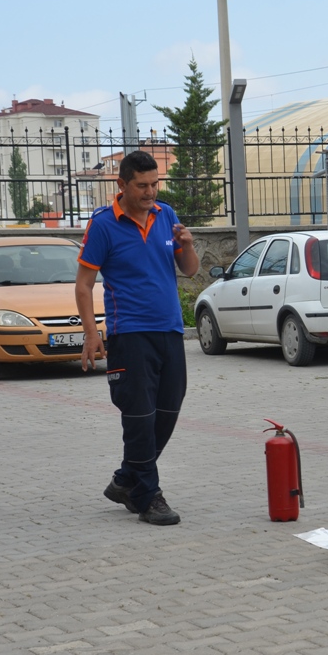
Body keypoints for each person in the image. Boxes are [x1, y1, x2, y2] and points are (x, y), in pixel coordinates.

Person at [75, 150, 199, 526]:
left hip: (170, 329)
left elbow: (189, 270)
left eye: (154, 184)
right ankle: (148, 495)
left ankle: (127, 478)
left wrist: (189, 244)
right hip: (129, 332)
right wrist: (92, 334)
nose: (150, 192)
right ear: (122, 185)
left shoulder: (167, 216)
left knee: (168, 410)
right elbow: (83, 285)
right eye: (142, 186)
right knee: (139, 416)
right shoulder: (103, 224)